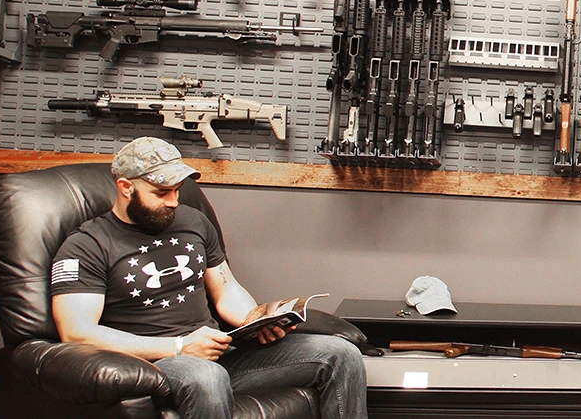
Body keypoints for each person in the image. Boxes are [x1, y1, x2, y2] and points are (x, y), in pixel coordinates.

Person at [50, 136, 368, 419]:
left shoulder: (193, 221)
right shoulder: (87, 245)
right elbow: (77, 332)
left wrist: (255, 320)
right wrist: (179, 347)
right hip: (156, 362)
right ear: (125, 187)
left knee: (341, 354)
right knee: (205, 376)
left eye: (177, 190)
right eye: (161, 192)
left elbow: (225, 289)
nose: (173, 201)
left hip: (217, 353)